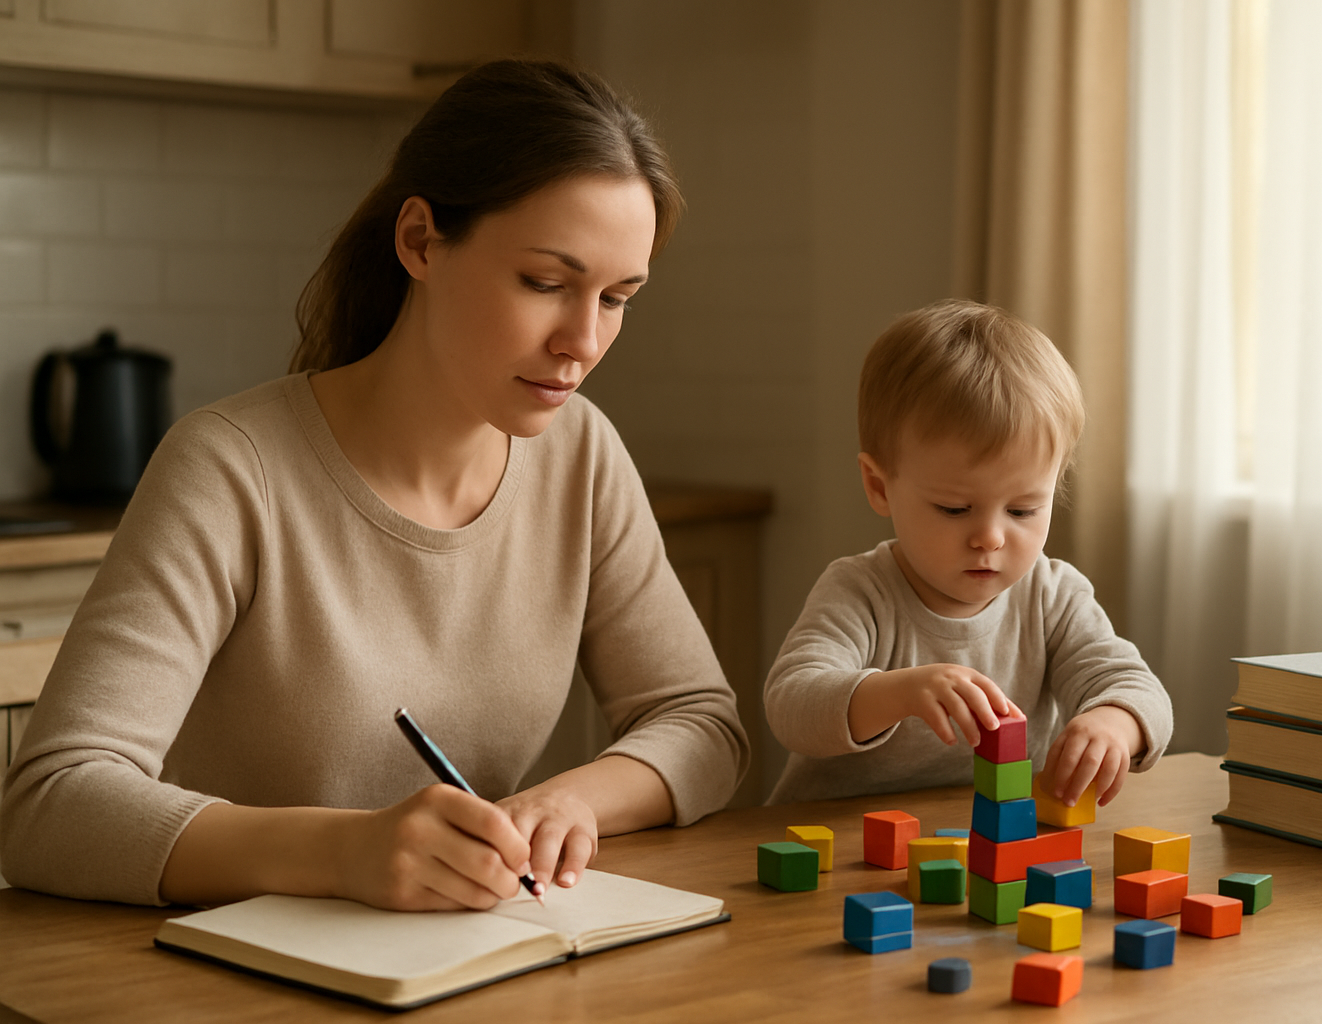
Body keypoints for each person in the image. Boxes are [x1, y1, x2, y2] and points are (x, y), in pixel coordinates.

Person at [0, 60, 748, 910]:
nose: (583, 340)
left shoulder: (583, 457)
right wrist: (346, 850)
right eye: (546, 283)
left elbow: (703, 724)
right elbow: (49, 804)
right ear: (421, 241)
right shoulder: (229, 467)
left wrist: (572, 799)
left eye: (617, 298)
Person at [763, 299, 1171, 805]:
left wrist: (1115, 722)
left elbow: (1136, 686)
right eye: (955, 509)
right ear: (880, 485)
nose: (990, 538)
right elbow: (791, 705)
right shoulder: (860, 591)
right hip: (837, 846)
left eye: (1022, 511)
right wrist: (899, 692)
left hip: (990, 847)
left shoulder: (1053, 596)